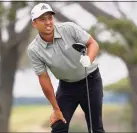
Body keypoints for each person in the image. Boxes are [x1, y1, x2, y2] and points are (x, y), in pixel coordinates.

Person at [27, 3, 105, 133]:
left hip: (90, 81)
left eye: (50, 18)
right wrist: (55, 109)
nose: (48, 22)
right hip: (67, 87)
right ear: (34, 24)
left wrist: (89, 59)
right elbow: (44, 79)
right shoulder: (34, 49)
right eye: (42, 19)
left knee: (96, 127)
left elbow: (92, 43)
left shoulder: (68, 28)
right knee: (58, 126)